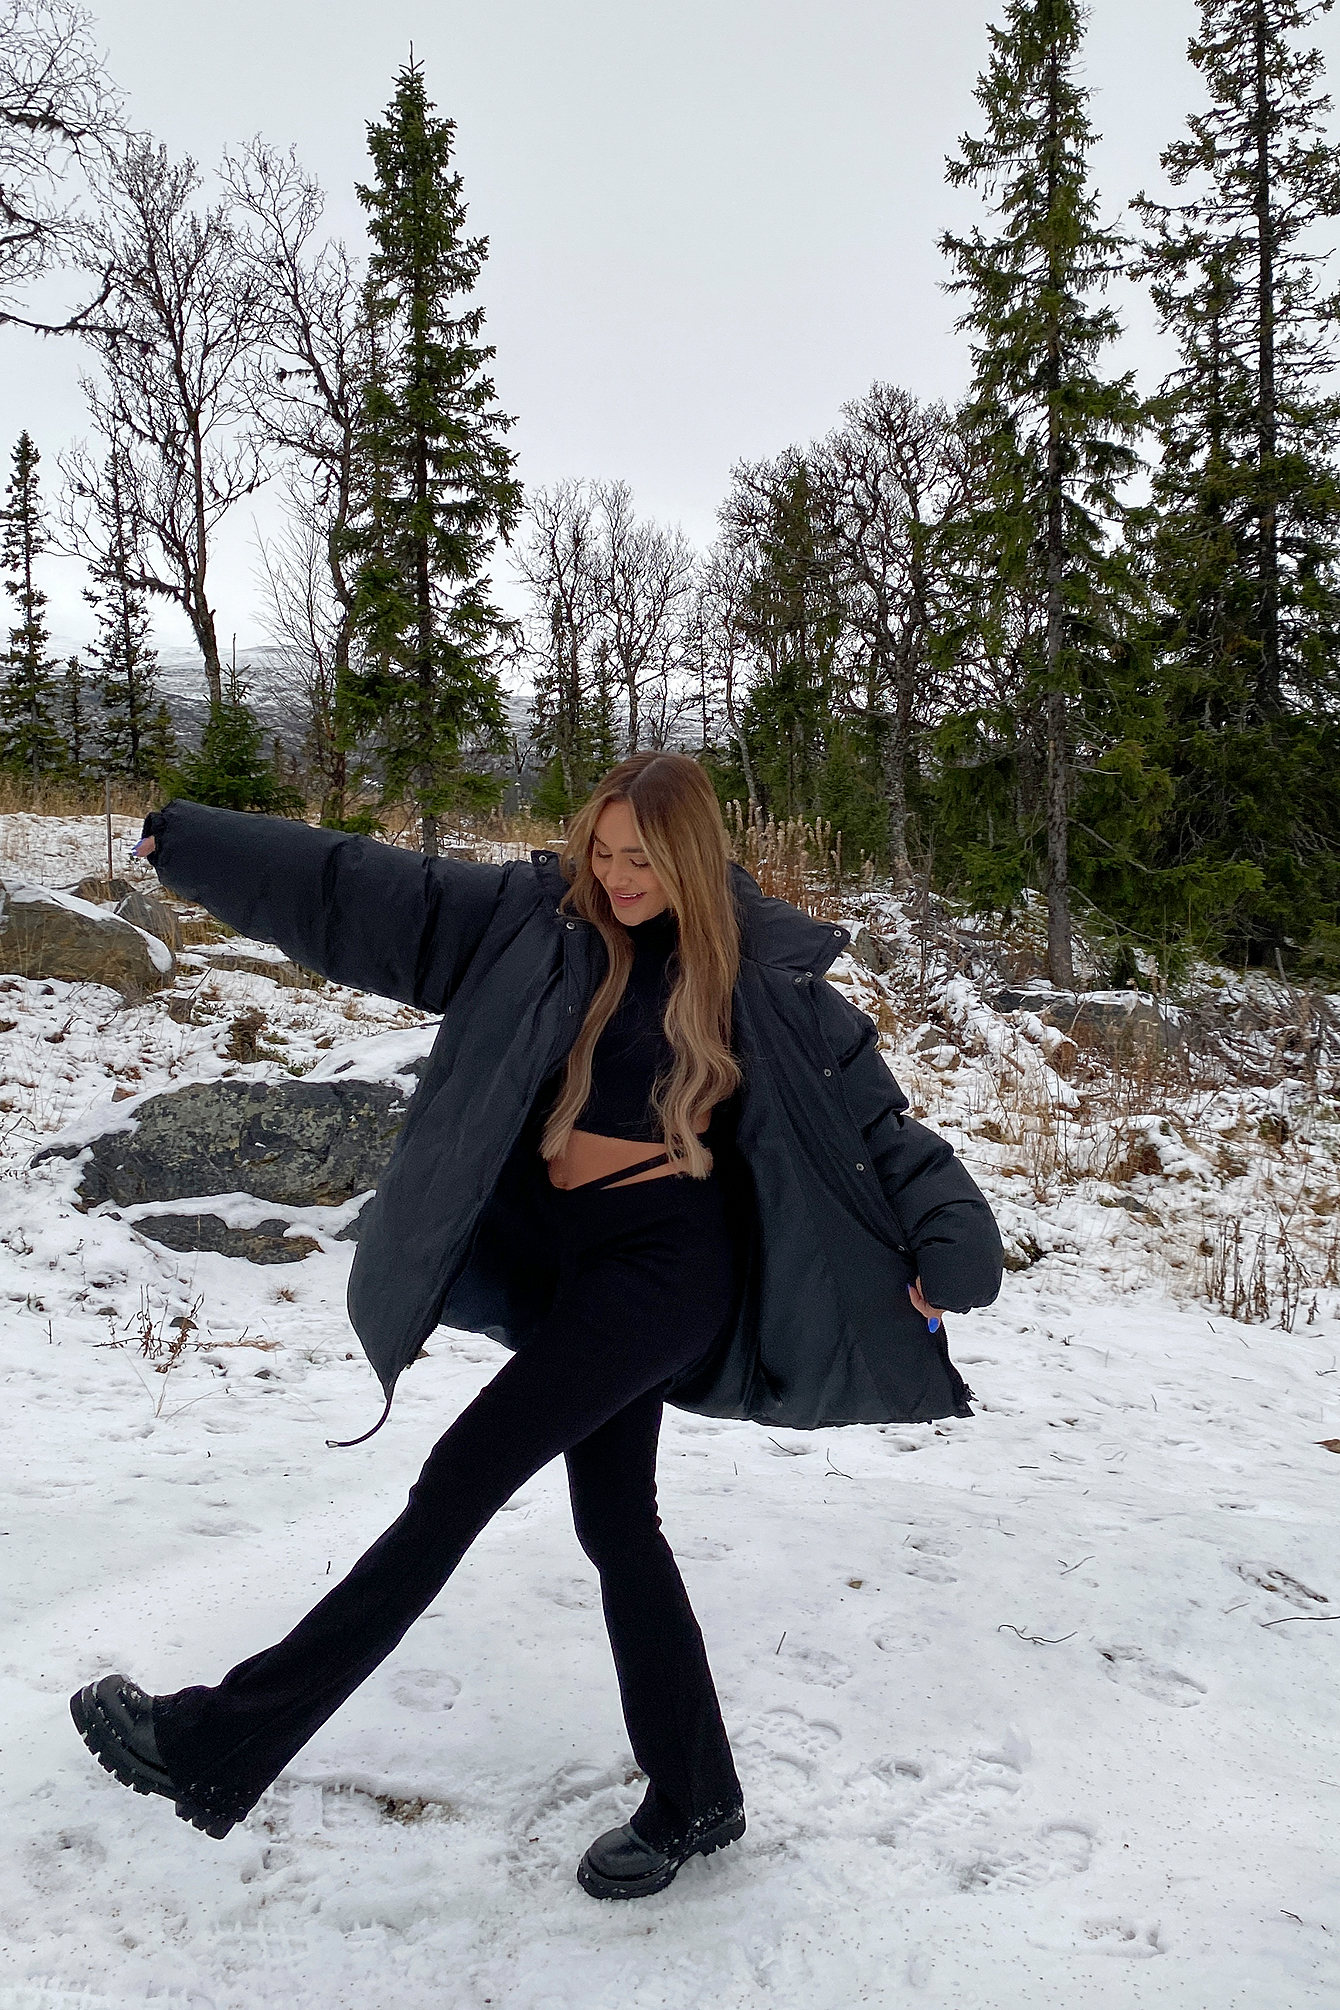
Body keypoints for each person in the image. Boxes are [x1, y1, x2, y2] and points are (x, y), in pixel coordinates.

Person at [70, 751, 1003, 1901]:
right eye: (599, 853)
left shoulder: (762, 977)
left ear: (691, 855)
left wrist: (952, 1250)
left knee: (457, 1483)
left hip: (665, 1274)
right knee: (617, 1526)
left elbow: (882, 1132)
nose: (614, 878)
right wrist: (201, 843)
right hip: (575, 1263)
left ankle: (218, 1741)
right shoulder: (539, 921)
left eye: (639, 860)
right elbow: (372, 890)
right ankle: (697, 1796)